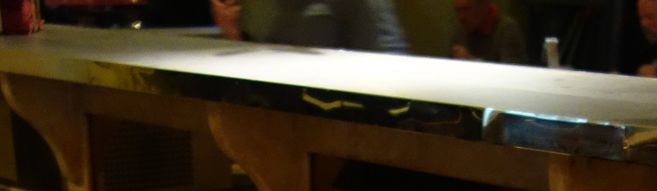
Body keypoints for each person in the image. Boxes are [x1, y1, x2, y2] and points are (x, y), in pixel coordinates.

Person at [210, 0, 409, 52]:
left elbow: (390, 62)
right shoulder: (260, 5)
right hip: (277, 120)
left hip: (338, 120)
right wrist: (232, 35)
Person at [451, 0, 528, 64]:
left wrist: (472, 62)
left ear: (484, 6)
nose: (461, 17)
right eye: (458, 10)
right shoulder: (464, 28)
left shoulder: (507, 30)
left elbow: (511, 73)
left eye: (466, 9)